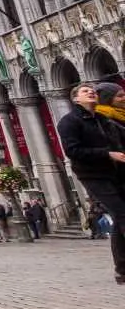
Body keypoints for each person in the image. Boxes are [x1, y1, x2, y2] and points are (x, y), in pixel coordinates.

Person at [58, 81, 125, 285]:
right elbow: (72, 151)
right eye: (86, 91)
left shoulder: (103, 120)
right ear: (76, 98)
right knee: (123, 214)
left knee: (119, 219)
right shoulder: (69, 121)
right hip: (93, 175)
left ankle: (122, 270)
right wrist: (107, 154)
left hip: (116, 173)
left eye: (93, 91)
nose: (91, 93)